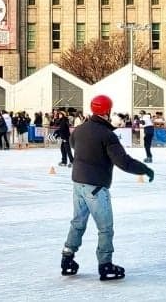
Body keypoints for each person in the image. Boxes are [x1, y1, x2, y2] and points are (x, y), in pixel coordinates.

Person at [61, 94, 154, 281]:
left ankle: (67, 258)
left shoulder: (79, 130)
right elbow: (124, 162)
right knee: (105, 228)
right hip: (95, 186)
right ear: (108, 111)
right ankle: (105, 265)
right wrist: (144, 169)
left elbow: (72, 144)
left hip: (78, 183)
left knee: (78, 222)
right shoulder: (106, 134)